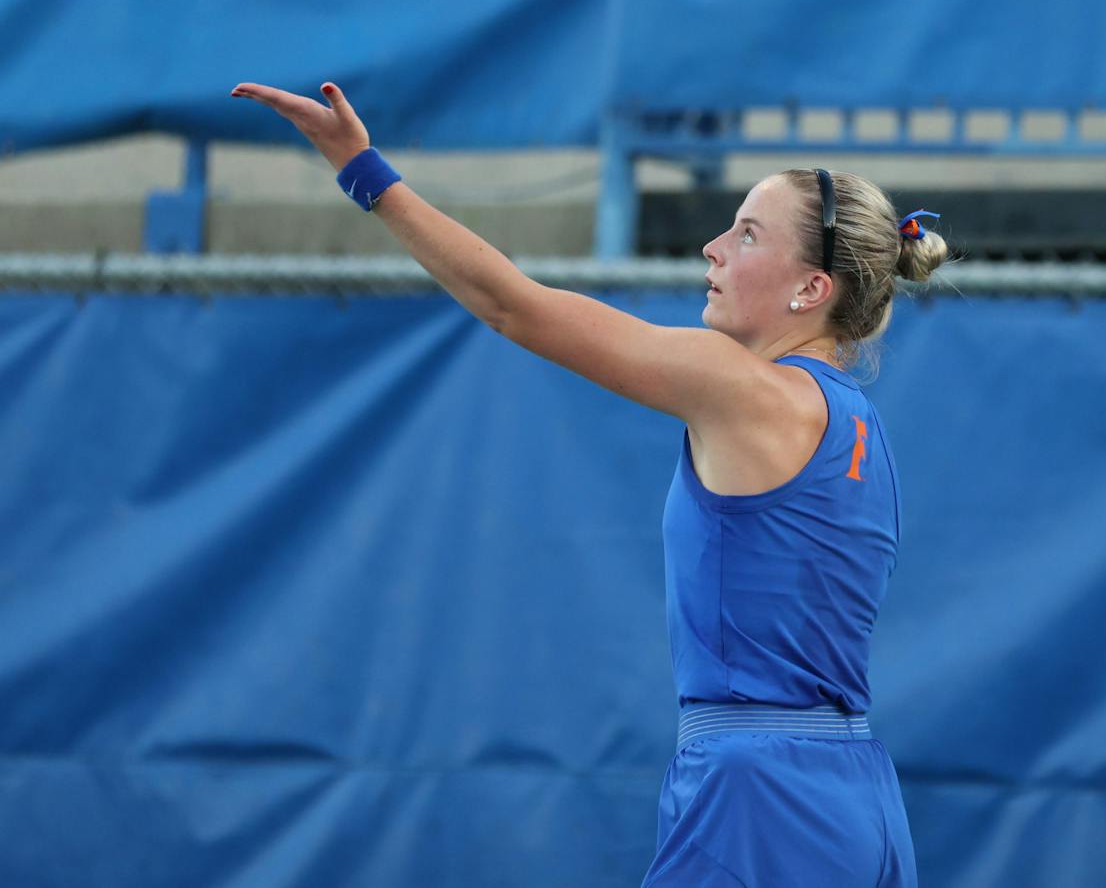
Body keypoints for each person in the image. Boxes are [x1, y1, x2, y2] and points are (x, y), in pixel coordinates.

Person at [230, 79, 943, 886]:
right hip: (864, 807)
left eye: (745, 235)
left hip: (757, 798)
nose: (712, 247)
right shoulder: (866, 433)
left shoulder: (742, 385)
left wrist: (362, 169)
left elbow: (513, 307)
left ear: (810, 290)